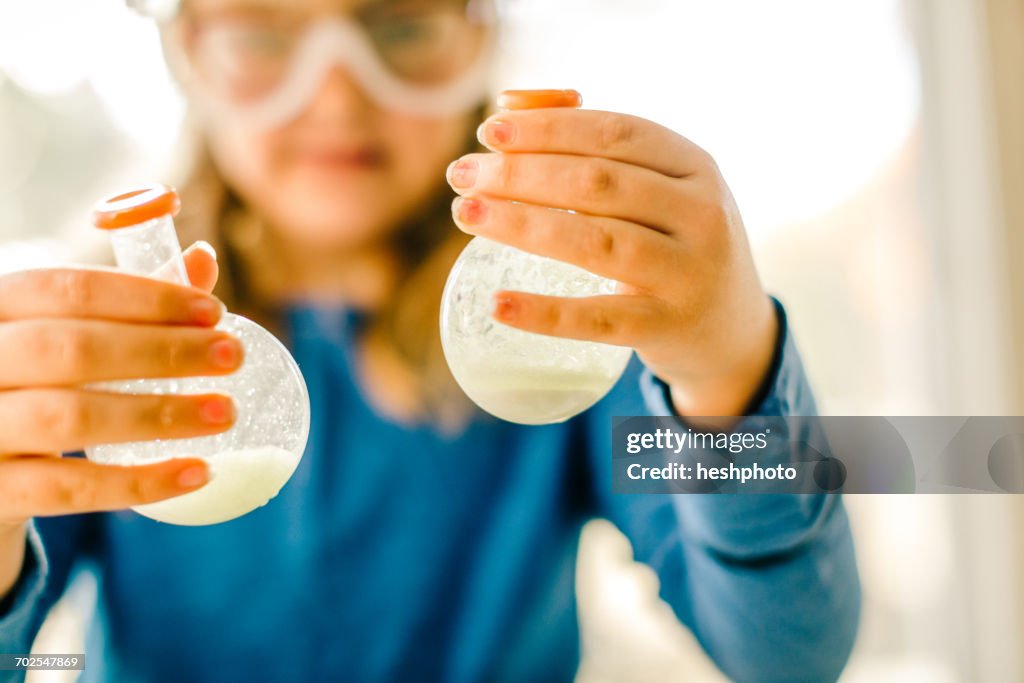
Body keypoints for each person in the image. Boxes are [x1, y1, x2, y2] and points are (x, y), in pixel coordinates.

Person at [0, 0, 860, 681]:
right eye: (264, 32)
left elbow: (788, 655)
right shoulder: (93, 358)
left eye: (402, 25)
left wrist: (732, 372)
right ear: (188, 51)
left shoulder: (566, 333)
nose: (337, 95)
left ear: (480, 36)